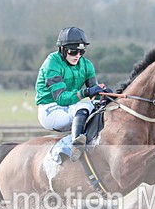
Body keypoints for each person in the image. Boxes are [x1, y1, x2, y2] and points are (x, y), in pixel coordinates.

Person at [35, 27, 108, 161]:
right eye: (73, 51)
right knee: (84, 106)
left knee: (99, 109)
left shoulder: (86, 65)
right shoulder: (52, 63)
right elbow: (62, 98)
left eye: (81, 51)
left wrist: (104, 95)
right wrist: (86, 92)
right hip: (50, 109)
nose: (78, 56)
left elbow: (95, 96)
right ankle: (76, 146)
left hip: (71, 108)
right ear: (62, 49)